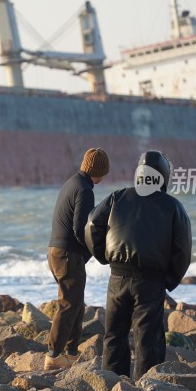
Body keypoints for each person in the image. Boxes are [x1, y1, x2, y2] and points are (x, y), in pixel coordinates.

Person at [86, 150, 192, 380]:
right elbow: (183, 249)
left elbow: (92, 224)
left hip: (117, 278)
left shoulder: (117, 197)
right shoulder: (172, 206)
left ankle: (113, 386)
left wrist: (104, 256)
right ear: (163, 176)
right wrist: (170, 280)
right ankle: (147, 387)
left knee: (114, 335)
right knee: (148, 339)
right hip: (151, 281)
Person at [45, 147, 110, 370]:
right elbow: (80, 228)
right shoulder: (85, 190)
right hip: (67, 255)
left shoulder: (71, 183)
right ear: (99, 170)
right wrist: (93, 251)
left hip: (55, 251)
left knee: (76, 304)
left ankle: (71, 353)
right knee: (68, 304)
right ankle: (53, 355)